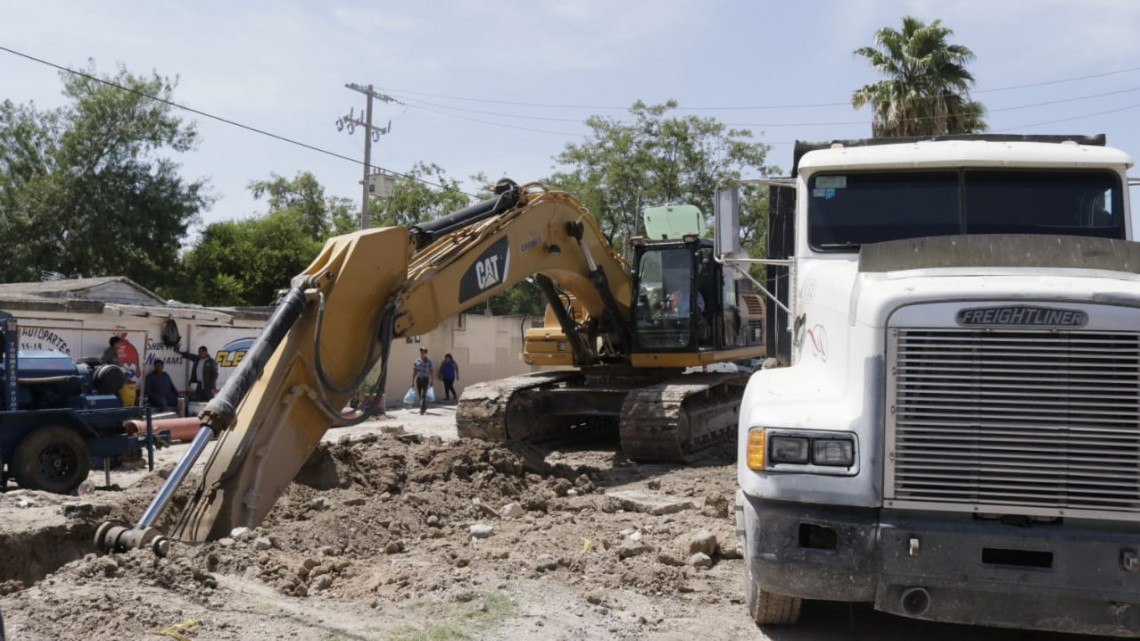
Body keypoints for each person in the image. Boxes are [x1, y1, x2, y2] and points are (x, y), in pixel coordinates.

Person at [411, 347, 433, 415]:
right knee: (420, 395)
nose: (422, 353)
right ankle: (424, 407)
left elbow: (431, 371)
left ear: (426, 353)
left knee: (423, 395)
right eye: (421, 352)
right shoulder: (416, 361)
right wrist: (412, 380)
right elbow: (415, 371)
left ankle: (421, 410)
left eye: (424, 352)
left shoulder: (429, 361)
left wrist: (432, 380)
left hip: (426, 379)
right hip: (419, 379)